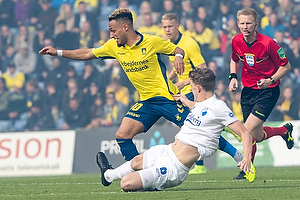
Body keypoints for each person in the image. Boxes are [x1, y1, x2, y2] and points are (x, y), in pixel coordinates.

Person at [39, 8, 189, 162]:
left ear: (125, 27)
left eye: (113, 30)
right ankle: (139, 174)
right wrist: (57, 52)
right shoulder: (113, 46)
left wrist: (177, 56)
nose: (111, 35)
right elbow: (86, 53)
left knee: (195, 131)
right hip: (146, 102)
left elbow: (178, 49)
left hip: (167, 98)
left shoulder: (151, 42)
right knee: (122, 135)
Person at [96, 68, 255, 192]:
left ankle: (155, 185)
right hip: (167, 151)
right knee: (136, 161)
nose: (191, 90)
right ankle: (108, 175)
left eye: (192, 88)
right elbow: (200, 110)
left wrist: (246, 158)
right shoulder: (200, 104)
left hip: (174, 168)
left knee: (126, 183)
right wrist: (186, 101)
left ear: (198, 88)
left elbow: (244, 133)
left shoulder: (218, 107)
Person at [162, 13, 244, 176]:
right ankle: (230, 135)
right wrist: (166, 81)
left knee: (194, 128)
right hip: (185, 93)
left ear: (178, 26)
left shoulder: (189, 44)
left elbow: (203, 68)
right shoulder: (170, 45)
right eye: (164, 27)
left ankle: (200, 165)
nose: (167, 30)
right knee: (197, 129)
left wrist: (185, 82)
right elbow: (178, 68)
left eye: (170, 26)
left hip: (195, 92)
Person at [228, 7, 294, 180]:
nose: (245, 26)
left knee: (246, 131)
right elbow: (234, 59)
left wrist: (270, 80)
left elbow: (286, 66)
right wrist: (233, 77)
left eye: (249, 23)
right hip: (248, 91)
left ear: (256, 24)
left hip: (268, 91)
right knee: (256, 135)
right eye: (242, 23)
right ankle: (283, 131)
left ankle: (246, 168)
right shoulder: (236, 41)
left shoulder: (268, 43)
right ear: (237, 24)